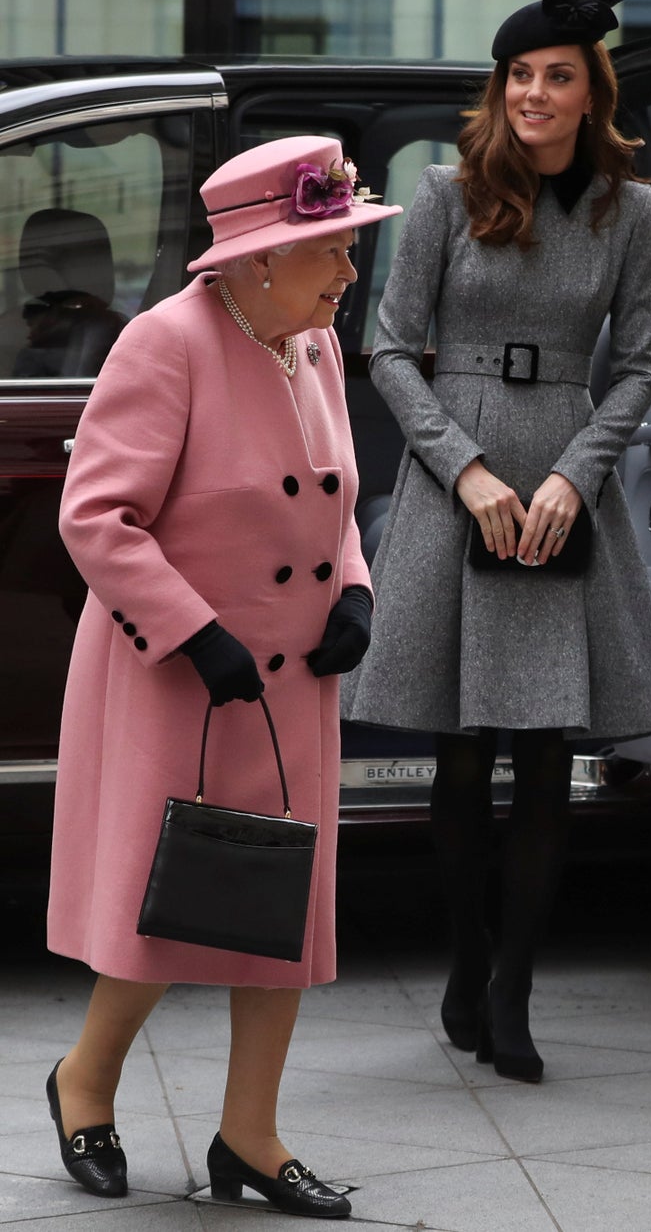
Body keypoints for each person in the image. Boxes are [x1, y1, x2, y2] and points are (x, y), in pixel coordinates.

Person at [342, 0, 651, 1084]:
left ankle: (513, 990)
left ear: (593, 95)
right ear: (502, 89)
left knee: (547, 758)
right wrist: (469, 473)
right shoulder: (446, 193)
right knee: (459, 752)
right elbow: (390, 350)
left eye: (558, 76)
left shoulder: (628, 210)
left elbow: (634, 366)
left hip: (562, 465)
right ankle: (465, 954)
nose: (535, 93)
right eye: (521, 76)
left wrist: (576, 479)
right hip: (464, 468)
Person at [45, 135, 401, 1215]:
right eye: (332, 247)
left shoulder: (315, 342)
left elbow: (333, 505)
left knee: (281, 902)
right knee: (166, 904)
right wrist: (195, 634)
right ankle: (85, 1084)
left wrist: (353, 588)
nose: (349, 271)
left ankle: (250, 1135)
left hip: (292, 680)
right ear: (257, 258)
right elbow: (96, 517)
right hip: (179, 673)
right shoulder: (167, 344)